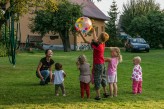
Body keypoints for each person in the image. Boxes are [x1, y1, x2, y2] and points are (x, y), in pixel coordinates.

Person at [79, 28, 110, 100]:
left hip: (98, 64)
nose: (97, 36)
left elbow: (85, 41)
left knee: (97, 79)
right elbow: (96, 40)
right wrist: (94, 32)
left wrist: (80, 33)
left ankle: (98, 95)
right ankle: (105, 92)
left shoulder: (97, 45)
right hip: (102, 64)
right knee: (103, 78)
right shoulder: (102, 43)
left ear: (100, 37)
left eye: (99, 35)